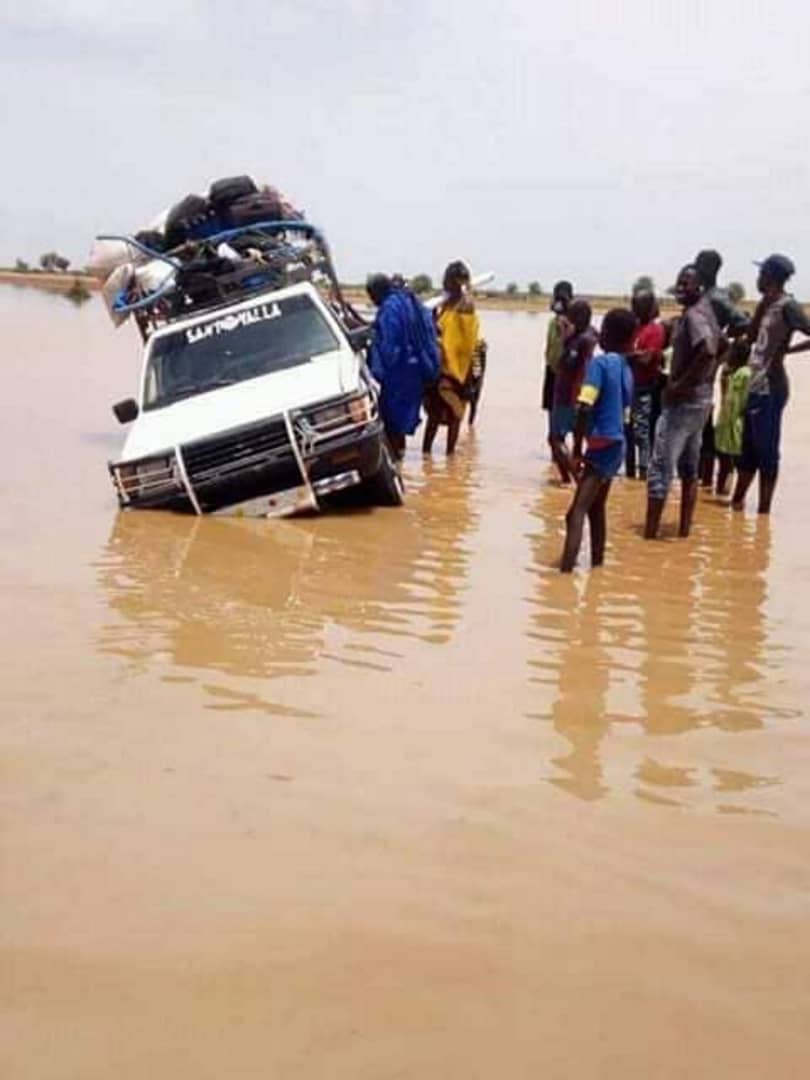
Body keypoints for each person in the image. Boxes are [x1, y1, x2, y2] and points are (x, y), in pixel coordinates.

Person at [644, 265, 720, 540]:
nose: (680, 288)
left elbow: (709, 351)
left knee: (660, 471)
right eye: (678, 282)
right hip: (701, 403)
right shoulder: (707, 313)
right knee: (689, 469)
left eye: (686, 284)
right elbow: (721, 347)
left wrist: (679, 386)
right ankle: (684, 532)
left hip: (683, 405)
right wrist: (704, 381)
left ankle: (649, 538)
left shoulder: (694, 316)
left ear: (699, 287)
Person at [732, 254, 810, 514]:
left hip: (772, 386)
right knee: (748, 450)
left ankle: (764, 512)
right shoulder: (766, 304)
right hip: (755, 384)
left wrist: (786, 352)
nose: (758, 278)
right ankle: (737, 503)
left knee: (766, 450)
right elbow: (751, 337)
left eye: (762, 274)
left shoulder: (789, 306)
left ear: (771, 277)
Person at [560, 308, 636, 573]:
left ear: (607, 336)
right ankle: (597, 567)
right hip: (617, 446)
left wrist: (578, 450)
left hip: (600, 445)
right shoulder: (626, 369)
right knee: (596, 508)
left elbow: (584, 405)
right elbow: (626, 413)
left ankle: (565, 574)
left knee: (575, 513)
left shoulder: (600, 364)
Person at [367, 273, 440, 458]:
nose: (373, 301)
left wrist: (377, 361)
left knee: (391, 423)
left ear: (377, 293)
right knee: (399, 423)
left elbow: (389, 347)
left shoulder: (390, 308)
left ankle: (397, 462)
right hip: (417, 370)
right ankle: (401, 460)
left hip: (399, 375)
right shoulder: (408, 301)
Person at [693, 249, 749, 488]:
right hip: (695, 368)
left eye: (699, 265)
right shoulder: (702, 295)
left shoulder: (717, 298)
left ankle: (711, 479)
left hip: (707, 368)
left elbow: (743, 322)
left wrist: (721, 342)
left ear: (709, 269)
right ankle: (701, 479)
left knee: (704, 423)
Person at [423, 261, 481, 455]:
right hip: (441, 366)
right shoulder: (445, 306)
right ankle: (427, 455)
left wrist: (463, 290)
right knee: (434, 414)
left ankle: (449, 453)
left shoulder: (465, 305)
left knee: (456, 414)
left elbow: (463, 335)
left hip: (460, 369)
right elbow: (438, 329)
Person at [549, 299, 597, 484]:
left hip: (568, 395)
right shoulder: (591, 335)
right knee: (579, 441)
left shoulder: (578, 340)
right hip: (584, 395)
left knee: (555, 439)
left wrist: (565, 338)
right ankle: (570, 478)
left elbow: (566, 365)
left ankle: (575, 479)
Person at [626, 289, 666, 479]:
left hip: (644, 388)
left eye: (639, 305)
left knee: (642, 432)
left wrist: (628, 356)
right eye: (633, 304)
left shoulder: (655, 330)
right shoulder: (633, 328)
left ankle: (644, 473)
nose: (634, 309)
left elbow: (646, 359)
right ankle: (629, 473)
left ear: (649, 307)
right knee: (626, 431)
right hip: (628, 388)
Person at [714, 338, 751, 496]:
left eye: (730, 352)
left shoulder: (745, 374)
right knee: (723, 458)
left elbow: (746, 401)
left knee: (733, 461)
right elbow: (724, 397)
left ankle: (729, 492)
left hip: (737, 424)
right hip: (725, 421)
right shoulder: (730, 373)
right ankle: (720, 491)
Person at [542, 280, 574, 440]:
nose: (559, 303)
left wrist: (565, 322)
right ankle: (554, 439)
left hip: (566, 372)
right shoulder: (551, 322)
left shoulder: (573, 322)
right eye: (557, 298)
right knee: (550, 407)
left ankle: (560, 439)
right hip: (551, 369)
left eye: (563, 299)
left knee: (563, 407)